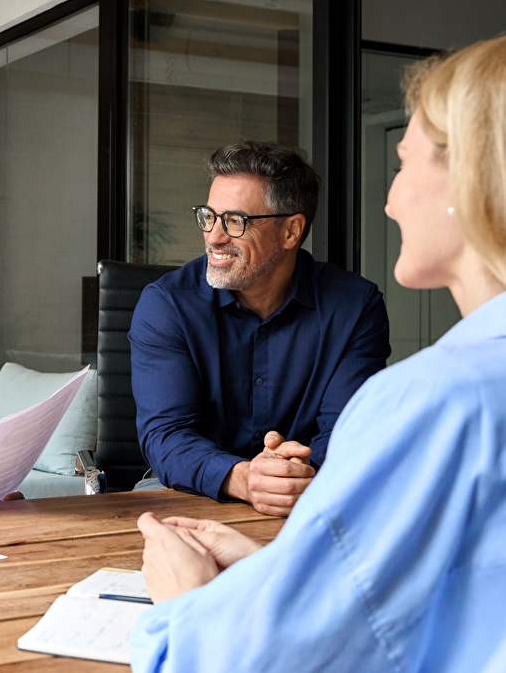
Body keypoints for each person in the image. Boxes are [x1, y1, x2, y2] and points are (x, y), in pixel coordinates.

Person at [132, 37, 506, 673]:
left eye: (403, 163)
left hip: (298, 514)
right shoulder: (167, 303)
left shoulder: (429, 396)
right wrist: (251, 498)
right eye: (208, 216)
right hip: (237, 512)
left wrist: (181, 602)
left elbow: (250, 658)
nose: (388, 202)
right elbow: (436, 598)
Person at [129, 141, 390, 515]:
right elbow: (166, 436)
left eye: (235, 221)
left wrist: (295, 474)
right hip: (188, 489)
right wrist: (246, 478)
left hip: (308, 490)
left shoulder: (355, 307)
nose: (214, 237)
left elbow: (346, 429)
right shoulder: (167, 305)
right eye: (209, 216)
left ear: (291, 231)